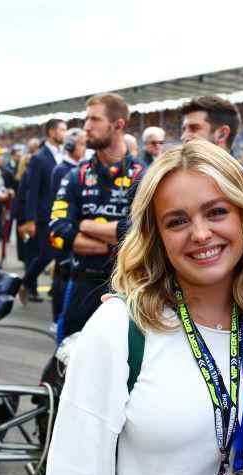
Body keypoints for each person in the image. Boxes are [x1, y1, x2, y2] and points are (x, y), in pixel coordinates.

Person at [47, 140, 243, 475]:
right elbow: (77, 468)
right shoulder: (120, 327)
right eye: (177, 221)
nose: (200, 234)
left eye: (216, 212)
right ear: (156, 236)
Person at [49, 93, 144, 342]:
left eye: (94, 119)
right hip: (81, 283)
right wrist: (115, 241)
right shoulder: (75, 175)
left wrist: (84, 224)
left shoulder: (142, 175)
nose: (86, 127)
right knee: (67, 355)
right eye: (86, 119)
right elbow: (58, 228)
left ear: (118, 125)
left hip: (127, 288)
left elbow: (143, 231)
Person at [180, 96, 243, 215]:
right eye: (184, 129)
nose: (184, 136)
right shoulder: (178, 177)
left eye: (194, 128)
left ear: (222, 134)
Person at [20, 119, 66, 302]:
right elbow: (32, 191)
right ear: (52, 132)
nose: (65, 133)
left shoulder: (63, 154)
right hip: (44, 215)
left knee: (62, 254)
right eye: (62, 130)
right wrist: (30, 220)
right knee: (47, 254)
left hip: (62, 213)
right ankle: (25, 282)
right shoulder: (39, 158)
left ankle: (57, 290)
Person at [47, 128, 87, 323]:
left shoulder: (78, 169)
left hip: (73, 229)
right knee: (61, 271)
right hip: (63, 230)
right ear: (70, 146)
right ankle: (57, 317)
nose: (86, 148)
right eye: (82, 144)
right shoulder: (63, 170)